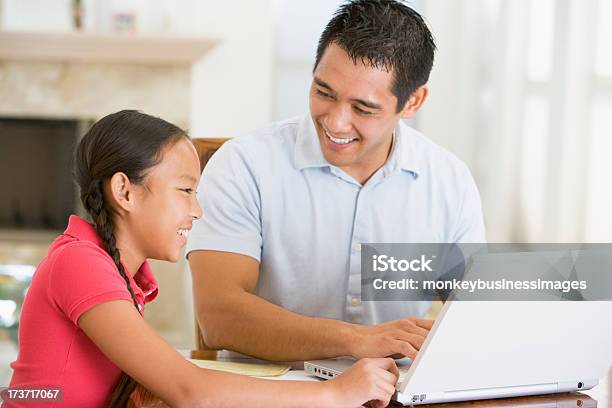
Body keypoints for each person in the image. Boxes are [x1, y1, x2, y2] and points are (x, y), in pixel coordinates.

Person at [6, 110, 399, 408]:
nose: (197, 211)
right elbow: (190, 391)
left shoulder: (120, 271)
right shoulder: (80, 263)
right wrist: (336, 393)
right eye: (185, 190)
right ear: (125, 192)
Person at [187, 0, 486, 362]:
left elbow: (472, 318)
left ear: (412, 102)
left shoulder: (449, 181)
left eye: (363, 108)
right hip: (275, 391)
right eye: (323, 93)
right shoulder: (244, 164)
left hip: (393, 392)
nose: (335, 122)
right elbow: (219, 317)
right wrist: (360, 341)